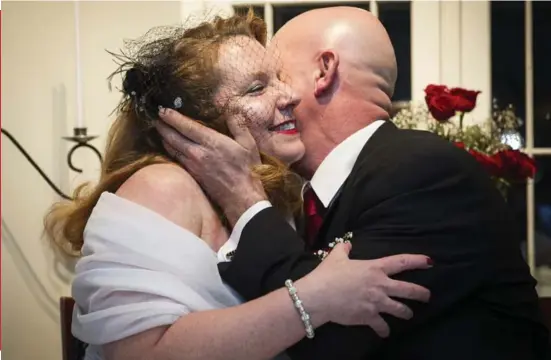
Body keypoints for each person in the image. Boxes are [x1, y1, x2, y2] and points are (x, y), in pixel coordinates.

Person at [156, 6, 550, 360]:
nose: (274, 95)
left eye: (274, 77)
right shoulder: (312, 194)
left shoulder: (423, 172)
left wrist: (243, 196)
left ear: (323, 71)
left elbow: (324, 339)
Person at [44, 10, 433, 360]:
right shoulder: (162, 187)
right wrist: (316, 298)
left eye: (280, 78)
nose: (291, 95)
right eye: (256, 88)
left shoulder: (275, 203)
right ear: (196, 121)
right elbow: (140, 353)